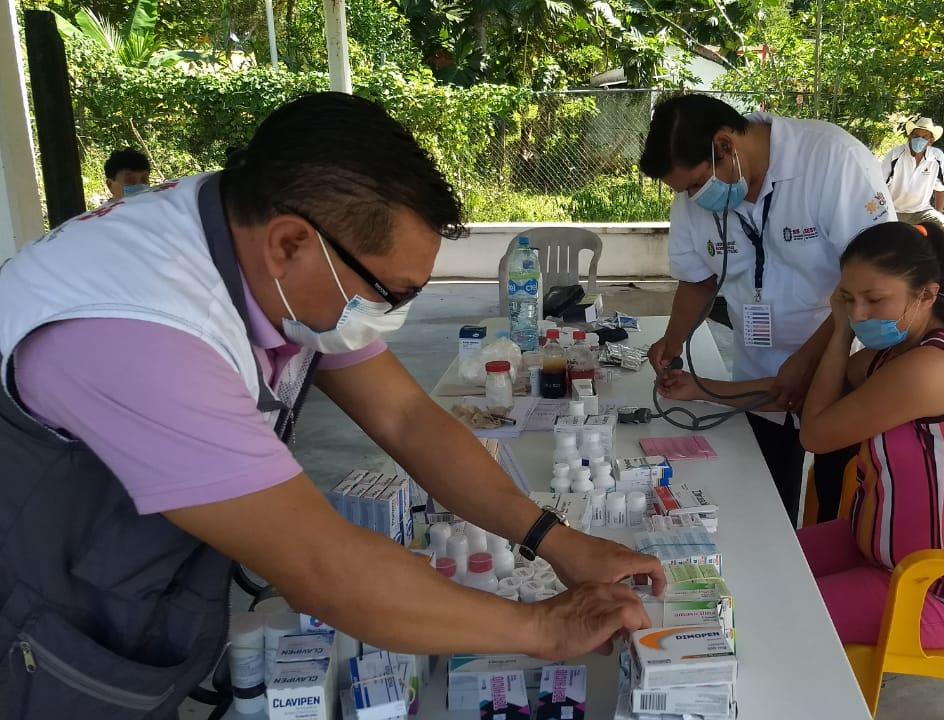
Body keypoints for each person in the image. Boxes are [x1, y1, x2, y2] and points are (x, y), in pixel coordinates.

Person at [0, 92, 661, 718]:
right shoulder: (145, 336)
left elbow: (405, 418)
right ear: (290, 243)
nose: (389, 317)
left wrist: (557, 542)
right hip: (37, 617)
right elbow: (325, 568)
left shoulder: (252, 236)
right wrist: (542, 628)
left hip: (130, 573)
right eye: (386, 292)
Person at [663, 221, 944, 646]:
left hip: (931, 587)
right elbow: (799, 395)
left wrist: (839, 331)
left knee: (756, 616)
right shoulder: (894, 354)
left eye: (874, 300)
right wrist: (703, 389)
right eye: (846, 299)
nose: (858, 313)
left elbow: (815, 435)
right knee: (745, 563)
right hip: (871, 542)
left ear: (927, 295)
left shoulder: (928, 369)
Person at [639, 93, 895, 526]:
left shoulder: (832, 161)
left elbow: (874, 287)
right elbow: (698, 280)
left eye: (694, 184)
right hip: (759, 378)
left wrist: (810, 360)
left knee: (842, 508)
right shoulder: (698, 199)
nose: (691, 198)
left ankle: (822, 580)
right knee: (765, 503)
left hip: (844, 364)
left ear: (725, 146)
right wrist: (673, 339)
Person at [882, 117, 944, 226]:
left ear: (931, 140)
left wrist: (938, 213)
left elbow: (941, 188)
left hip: (922, 211)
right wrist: (884, 212)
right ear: (910, 136)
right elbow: (880, 185)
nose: (919, 139)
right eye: (916, 136)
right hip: (895, 211)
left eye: (924, 137)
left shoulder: (937, 157)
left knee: (943, 225)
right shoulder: (895, 155)